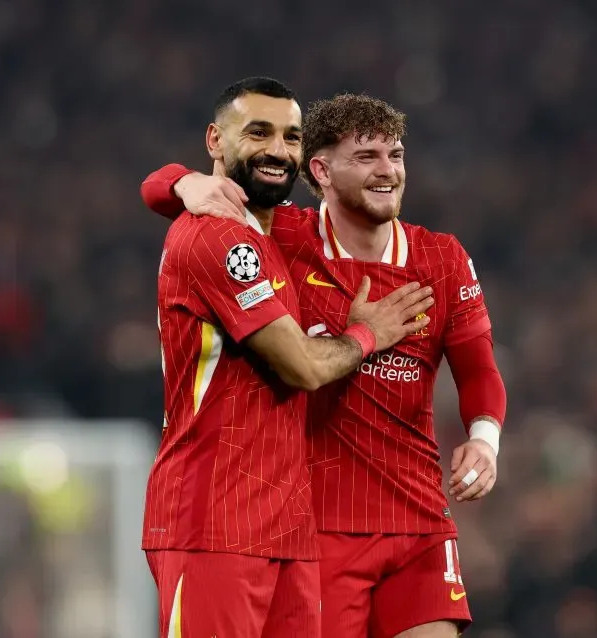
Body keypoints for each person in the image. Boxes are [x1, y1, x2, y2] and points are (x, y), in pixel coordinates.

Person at [141, 93, 508, 638]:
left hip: (420, 518)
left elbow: (478, 369)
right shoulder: (283, 238)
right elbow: (168, 195)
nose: (387, 171)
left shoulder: (442, 258)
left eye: (395, 155)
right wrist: (182, 182)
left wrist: (484, 439)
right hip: (319, 525)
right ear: (321, 171)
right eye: (366, 157)